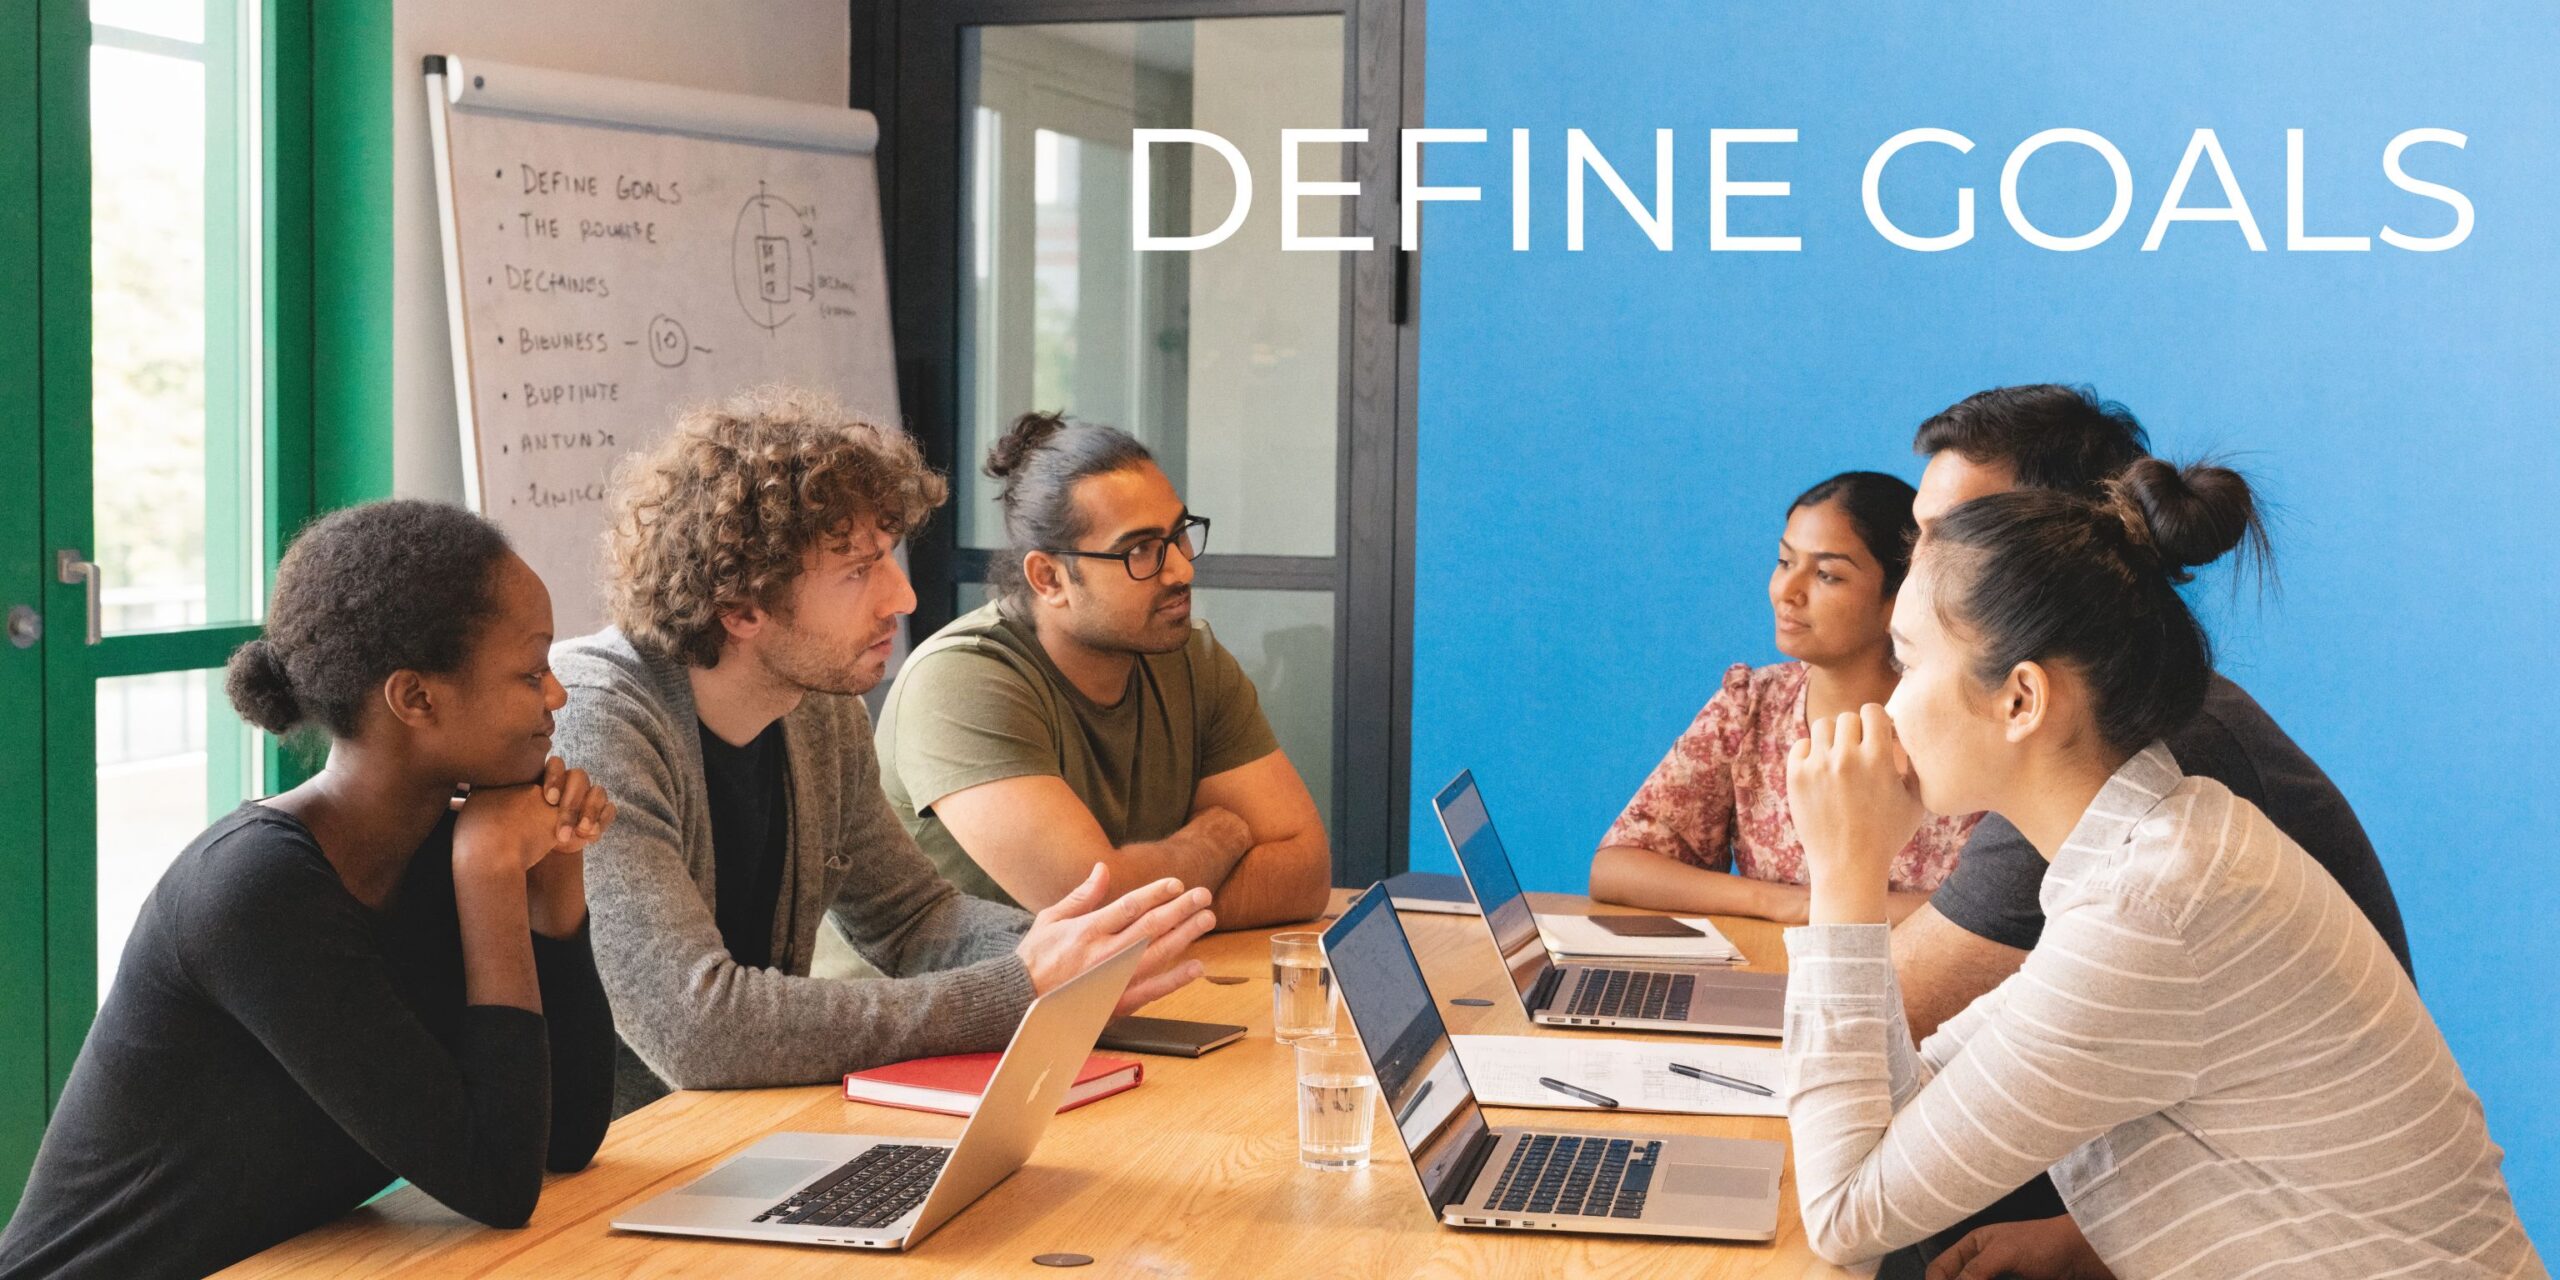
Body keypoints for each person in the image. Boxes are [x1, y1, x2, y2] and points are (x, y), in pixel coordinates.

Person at [1780, 460, 2538, 1277]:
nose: (1883, 708)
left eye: (1908, 663)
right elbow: (1913, 1096)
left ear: (2022, 701)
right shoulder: (2150, 849)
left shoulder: (2152, 907)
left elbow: (1846, 1213)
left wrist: (1846, 873)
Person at [553, 387, 1216, 1116]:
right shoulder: (595, 719)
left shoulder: (814, 707)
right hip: (600, 1174)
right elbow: (697, 1028)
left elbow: (912, 920)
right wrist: (1017, 988)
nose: (901, 599)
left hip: (736, 1135)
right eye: (858, 570)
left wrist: (1087, 953)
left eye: (888, 560)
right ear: (741, 607)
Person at [0, 501, 618, 1279]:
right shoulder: (257, 893)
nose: (556, 696)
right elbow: (499, 1183)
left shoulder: (442, 837)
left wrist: (554, 872)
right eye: (532, 672)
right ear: (416, 699)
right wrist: (492, 874)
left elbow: (567, 1137)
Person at [1895, 384, 2411, 1045]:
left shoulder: (2121, 751)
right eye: (1923, 532)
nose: (1919, 567)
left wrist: (1847, 858)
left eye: (1958, 533)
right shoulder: (2127, 712)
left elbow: (1892, 1021)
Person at [874, 411, 1331, 928]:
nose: (1182, 569)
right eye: (1140, 551)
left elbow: (1306, 870)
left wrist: (1143, 902)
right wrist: (1214, 839)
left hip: (1114, 993)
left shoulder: (1189, 658)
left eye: (1179, 534)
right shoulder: (961, 682)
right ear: (1048, 578)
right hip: (946, 1006)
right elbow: (1091, 906)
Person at [1590, 472, 1977, 923]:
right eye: (1784, 561)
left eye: (1828, 575)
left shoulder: (1968, 722)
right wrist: (1779, 902)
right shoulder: (1752, 705)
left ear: (1900, 596)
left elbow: (2007, 916)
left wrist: (1830, 910)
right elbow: (1618, 866)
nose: (1787, 593)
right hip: (1776, 980)